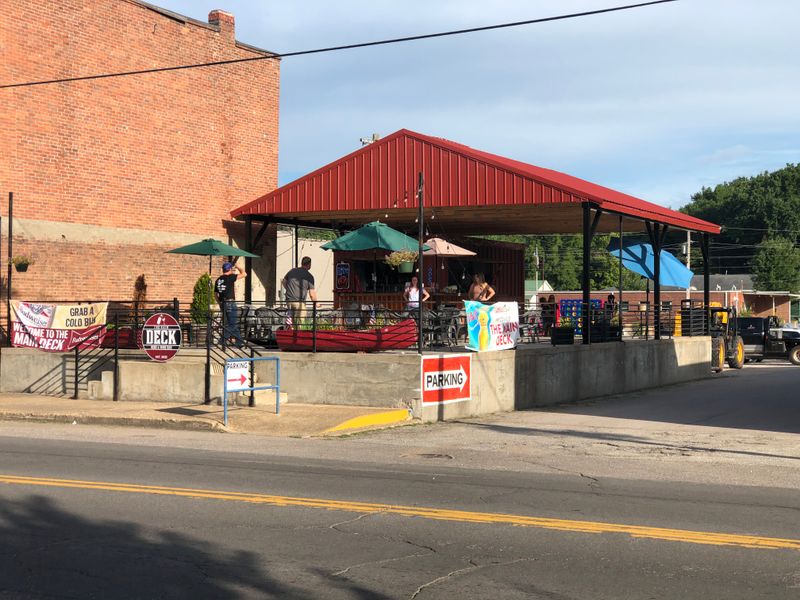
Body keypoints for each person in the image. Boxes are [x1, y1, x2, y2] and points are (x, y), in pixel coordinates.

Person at [214, 261, 246, 348]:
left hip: (223, 304)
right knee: (232, 324)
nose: (233, 271)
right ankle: (222, 340)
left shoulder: (218, 280)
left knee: (232, 323)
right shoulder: (230, 277)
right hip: (230, 303)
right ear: (229, 269)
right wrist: (237, 266)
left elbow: (215, 294)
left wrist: (220, 303)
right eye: (232, 269)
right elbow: (244, 274)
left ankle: (240, 342)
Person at [281, 256, 317, 328]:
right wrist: (316, 303)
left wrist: (288, 289)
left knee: (292, 322)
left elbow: (284, 281)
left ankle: (292, 334)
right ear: (309, 265)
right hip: (300, 302)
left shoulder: (292, 271)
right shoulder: (309, 276)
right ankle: (299, 337)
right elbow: (312, 294)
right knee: (301, 322)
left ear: (302, 263)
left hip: (289, 300)